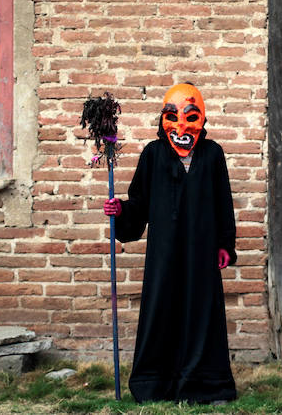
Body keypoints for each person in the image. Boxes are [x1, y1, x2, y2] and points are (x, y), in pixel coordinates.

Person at [103, 83, 238, 404]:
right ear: (162, 118)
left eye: (191, 117)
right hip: (164, 253)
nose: (181, 125)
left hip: (202, 250)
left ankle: (207, 384)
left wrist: (224, 244)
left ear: (202, 120)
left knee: (202, 311)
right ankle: (155, 383)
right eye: (172, 116)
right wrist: (121, 210)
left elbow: (223, 203)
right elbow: (140, 202)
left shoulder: (213, 154)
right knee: (161, 309)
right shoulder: (152, 154)